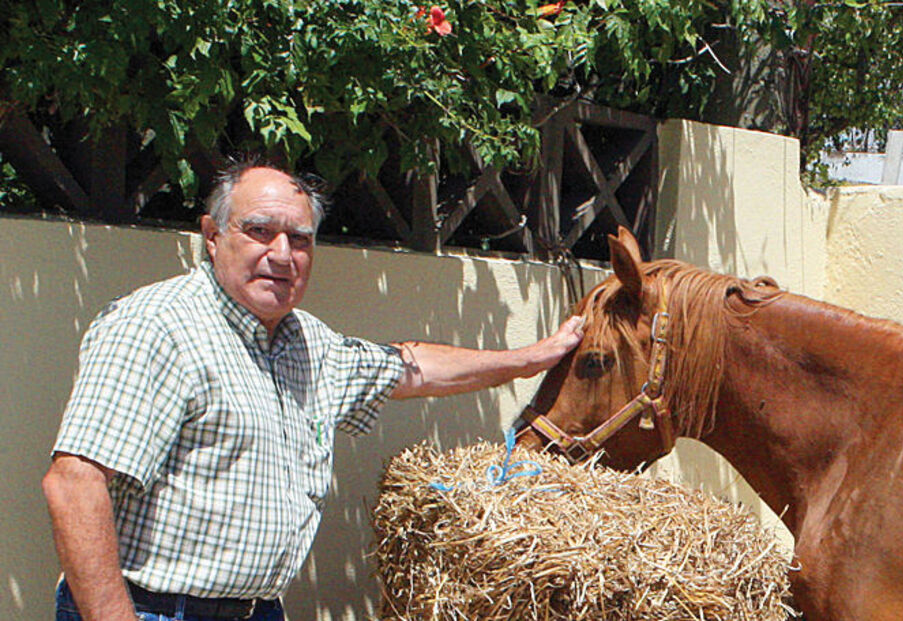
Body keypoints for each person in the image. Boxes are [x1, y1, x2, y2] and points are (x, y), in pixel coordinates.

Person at [42, 158, 585, 621]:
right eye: (260, 231)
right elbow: (73, 485)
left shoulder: (308, 345)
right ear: (212, 236)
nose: (282, 253)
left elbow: (412, 368)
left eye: (299, 239)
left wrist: (528, 360)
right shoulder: (157, 327)